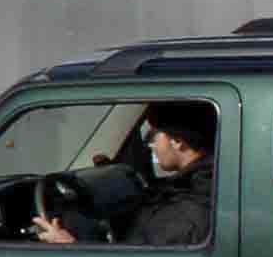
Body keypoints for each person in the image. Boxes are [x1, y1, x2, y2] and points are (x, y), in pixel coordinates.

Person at [30, 103, 217, 246]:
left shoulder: (185, 211)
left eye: (152, 136)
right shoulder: (203, 184)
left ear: (177, 141)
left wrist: (71, 247)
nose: (149, 144)